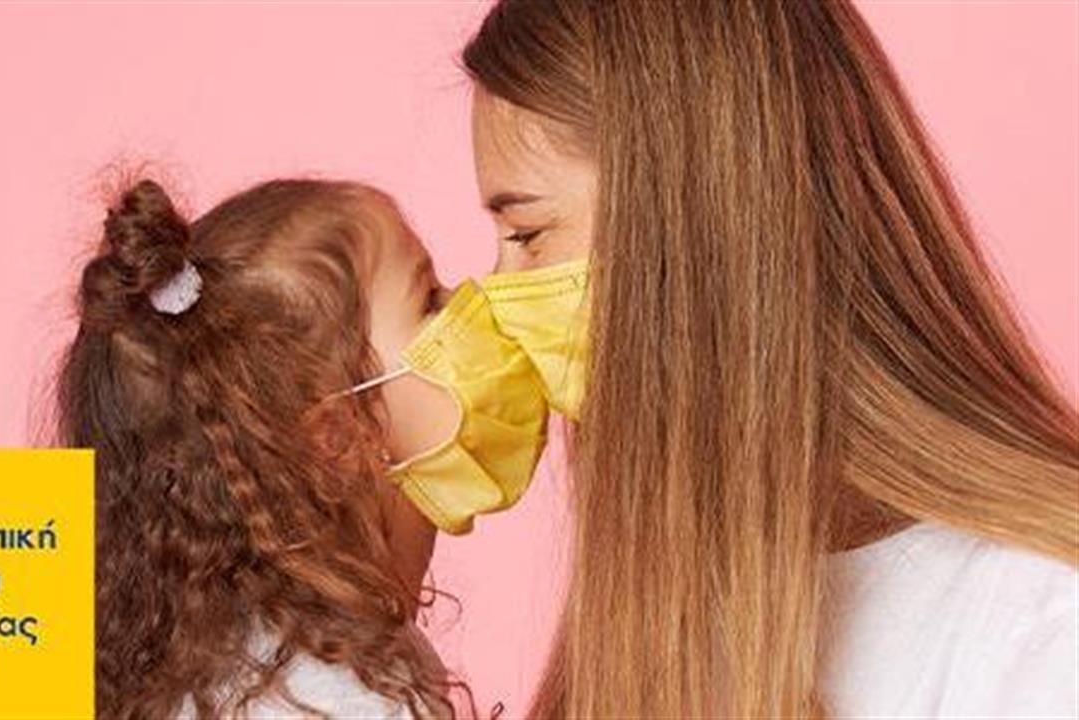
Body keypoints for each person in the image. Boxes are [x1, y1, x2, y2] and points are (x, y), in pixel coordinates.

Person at [433, 1, 1079, 717]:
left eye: (527, 234)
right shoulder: (667, 602)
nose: (497, 296)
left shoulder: (1042, 624)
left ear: (693, 216)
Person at [54, 176, 468, 719]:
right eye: (430, 301)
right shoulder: (352, 703)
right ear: (335, 437)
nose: (468, 303)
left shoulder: (228, 667)